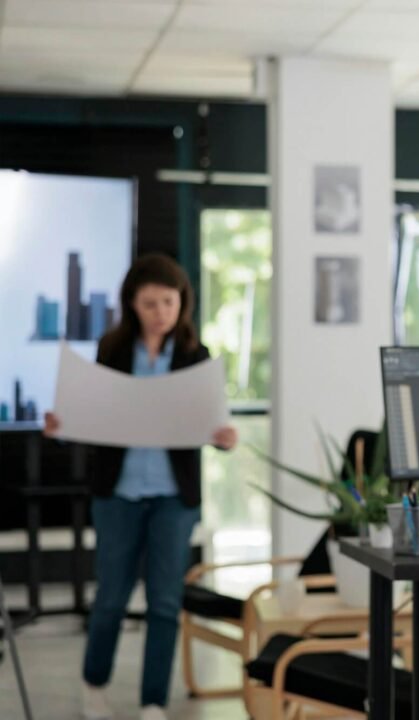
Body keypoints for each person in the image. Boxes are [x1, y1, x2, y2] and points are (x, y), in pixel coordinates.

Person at [44, 254, 237, 720]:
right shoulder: (112, 352)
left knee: (165, 603)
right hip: (118, 494)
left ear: (181, 303)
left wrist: (224, 437)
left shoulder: (197, 357)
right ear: (132, 303)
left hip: (174, 496)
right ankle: (94, 686)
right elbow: (91, 418)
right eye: (149, 303)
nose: (159, 312)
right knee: (110, 596)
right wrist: (62, 424)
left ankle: (153, 701)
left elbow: (212, 423)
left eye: (167, 302)